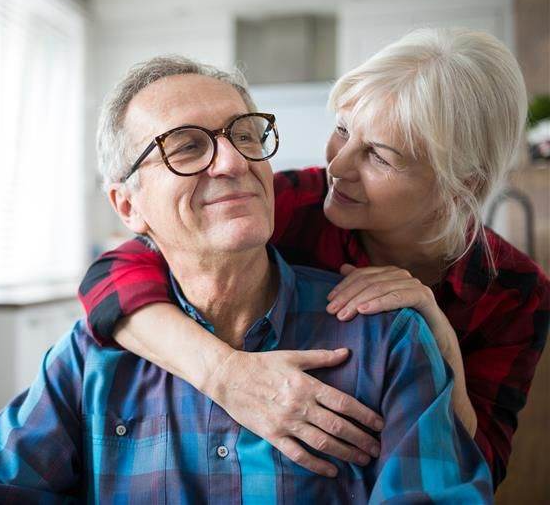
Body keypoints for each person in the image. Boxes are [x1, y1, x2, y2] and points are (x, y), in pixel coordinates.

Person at [0, 56, 493, 504]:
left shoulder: (388, 340)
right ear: (128, 206)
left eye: (246, 134)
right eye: (187, 148)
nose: (231, 163)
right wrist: (223, 372)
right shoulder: (88, 360)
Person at [78, 27, 550, 487]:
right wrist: (225, 375)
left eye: (378, 157)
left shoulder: (514, 291)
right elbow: (111, 275)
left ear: (461, 184)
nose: (338, 166)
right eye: (342, 130)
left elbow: (481, 466)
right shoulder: (294, 203)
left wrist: (443, 346)